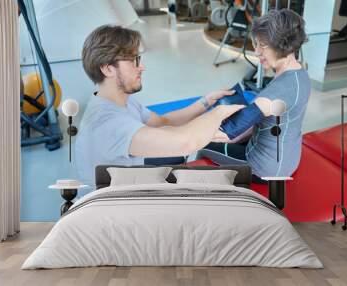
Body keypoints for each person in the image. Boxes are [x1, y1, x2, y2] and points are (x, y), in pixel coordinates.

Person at [75, 25, 243, 187]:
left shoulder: (118, 100)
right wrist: (219, 113)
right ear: (108, 69)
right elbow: (186, 143)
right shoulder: (107, 122)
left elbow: (163, 120)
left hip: (129, 180)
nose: (142, 67)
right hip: (114, 206)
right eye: (134, 61)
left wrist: (207, 101)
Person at [205, 8, 310, 178]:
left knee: (205, 147)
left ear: (281, 44)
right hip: (288, 159)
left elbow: (227, 133)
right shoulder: (301, 74)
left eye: (262, 46)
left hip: (263, 169)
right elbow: (250, 125)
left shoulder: (270, 97)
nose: (257, 52)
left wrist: (184, 133)